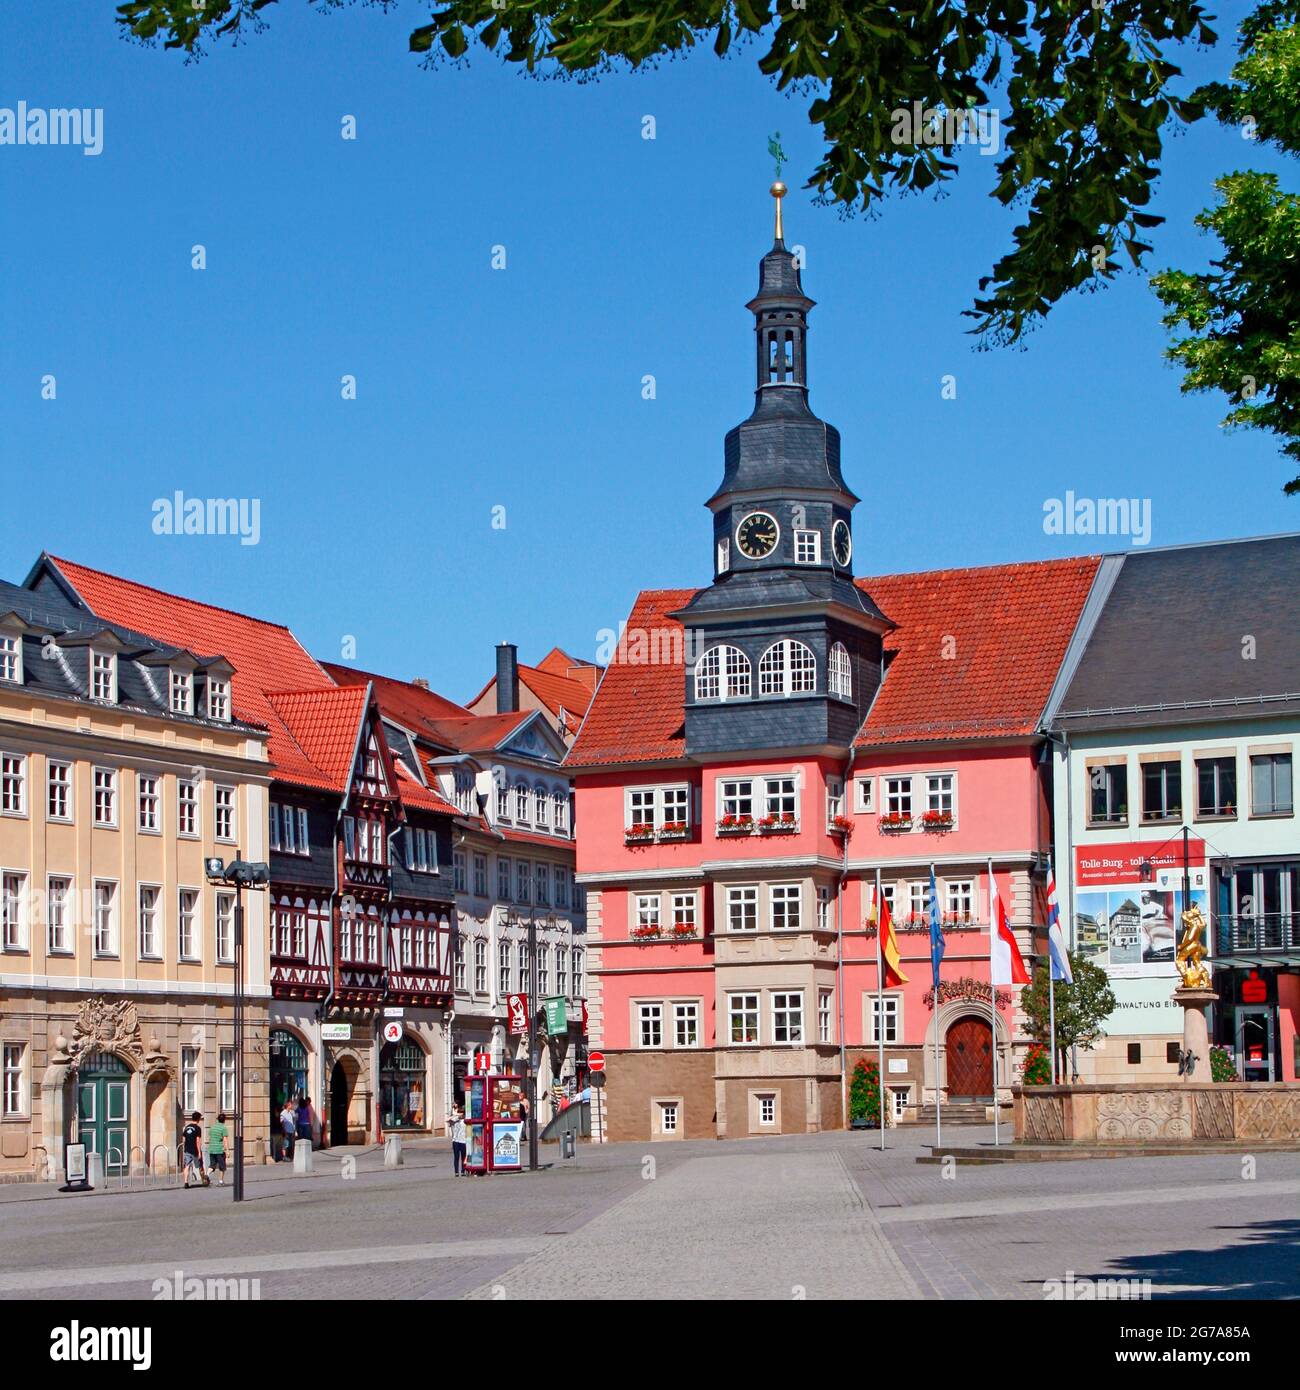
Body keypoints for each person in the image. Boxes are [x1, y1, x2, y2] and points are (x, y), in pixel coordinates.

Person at [182, 1111, 207, 1188]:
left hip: (187, 1149)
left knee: (186, 1166)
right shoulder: (198, 1128)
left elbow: (184, 1139)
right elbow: (198, 1141)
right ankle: (204, 1181)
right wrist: (199, 1152)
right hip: (195, 1150)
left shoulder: (187, 1127)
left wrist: (184, 1148)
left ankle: (186, 1182)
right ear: (198, 1119)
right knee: (200, 1166)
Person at [208, 1111, 229, 1186]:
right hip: (219, 1150)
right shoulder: (223, 1128)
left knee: (212, 1165)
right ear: (224, 1120)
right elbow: (225, 1140)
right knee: (222, 1166)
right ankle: (220, 1181)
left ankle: (207, 1175)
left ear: (218, 1119)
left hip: (211, 1149)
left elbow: (210, 1137)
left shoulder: (213, 1127)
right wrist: (227, 1150)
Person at [448, 1105, 467, 1176]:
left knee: (463, 1157)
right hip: (455, 1140)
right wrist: (457, 1117)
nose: (461, 1114)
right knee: (456, 1157)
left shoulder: (465, 1120)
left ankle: (463, 1171)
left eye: (462, 1112)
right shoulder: (454, 1120)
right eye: (459, 1112)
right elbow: (448, 1120)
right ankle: (456, 1171)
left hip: (463, 1140)